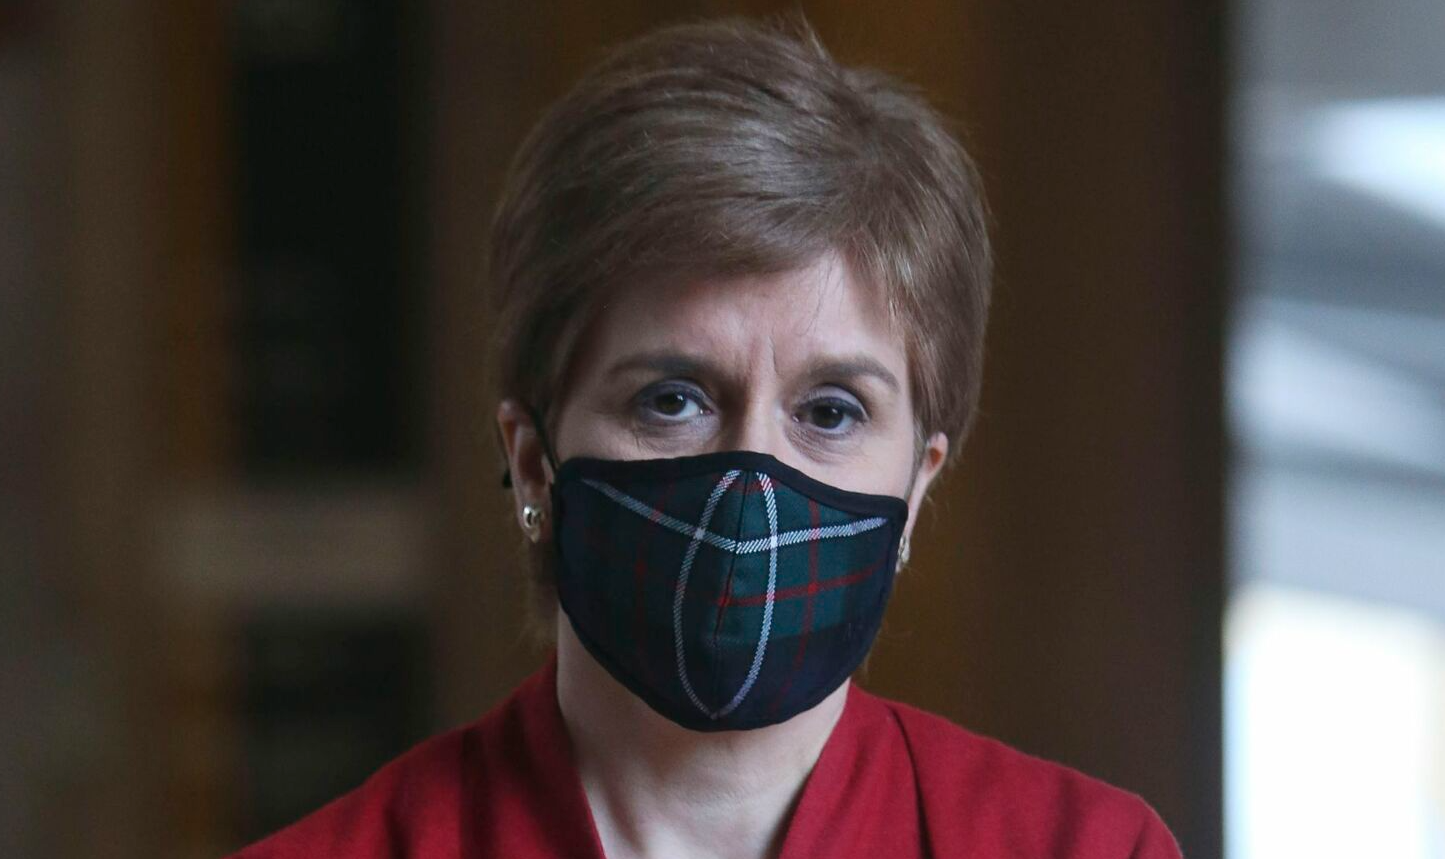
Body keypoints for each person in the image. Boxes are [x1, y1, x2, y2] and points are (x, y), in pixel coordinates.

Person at [231, 17, 1182, 859]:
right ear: (531, 461)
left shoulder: (1084, 848)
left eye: (831, 411)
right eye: (673, 399)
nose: (753, 475)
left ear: (917, 484)